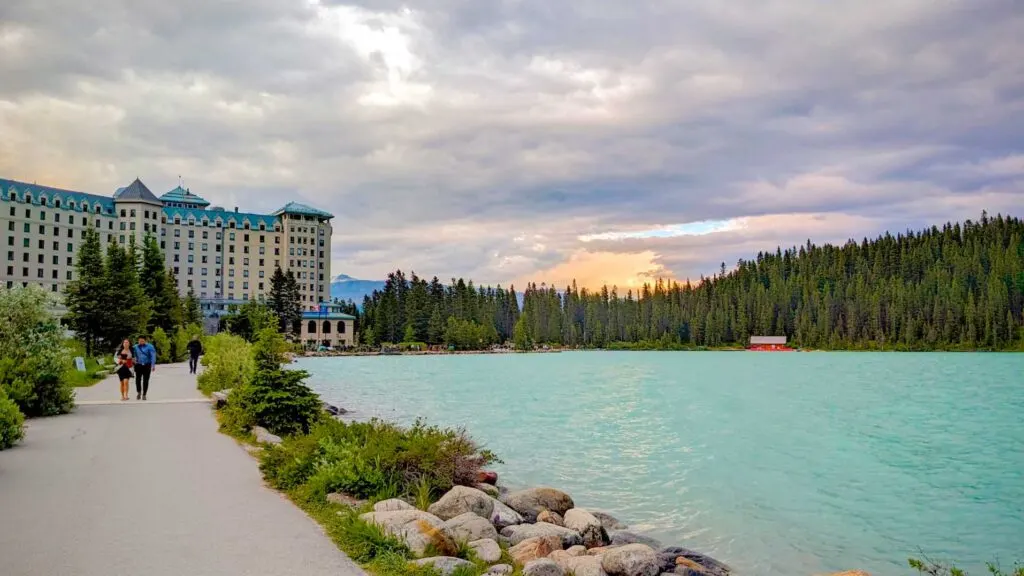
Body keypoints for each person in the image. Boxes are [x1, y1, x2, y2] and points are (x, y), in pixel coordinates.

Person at [132, 335, 157, 400]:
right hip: (138, 365)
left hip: (147, 365)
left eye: (142, 341)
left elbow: (153, 356)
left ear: (145, 341)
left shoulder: (150, 347)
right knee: (138, 380)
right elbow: (132, 355)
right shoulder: (135, 347)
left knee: (146, 380)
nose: (141, 342)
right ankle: (139, 392)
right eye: (139, 341)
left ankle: (144, 394)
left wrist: (153, 365)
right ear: (138, 341)